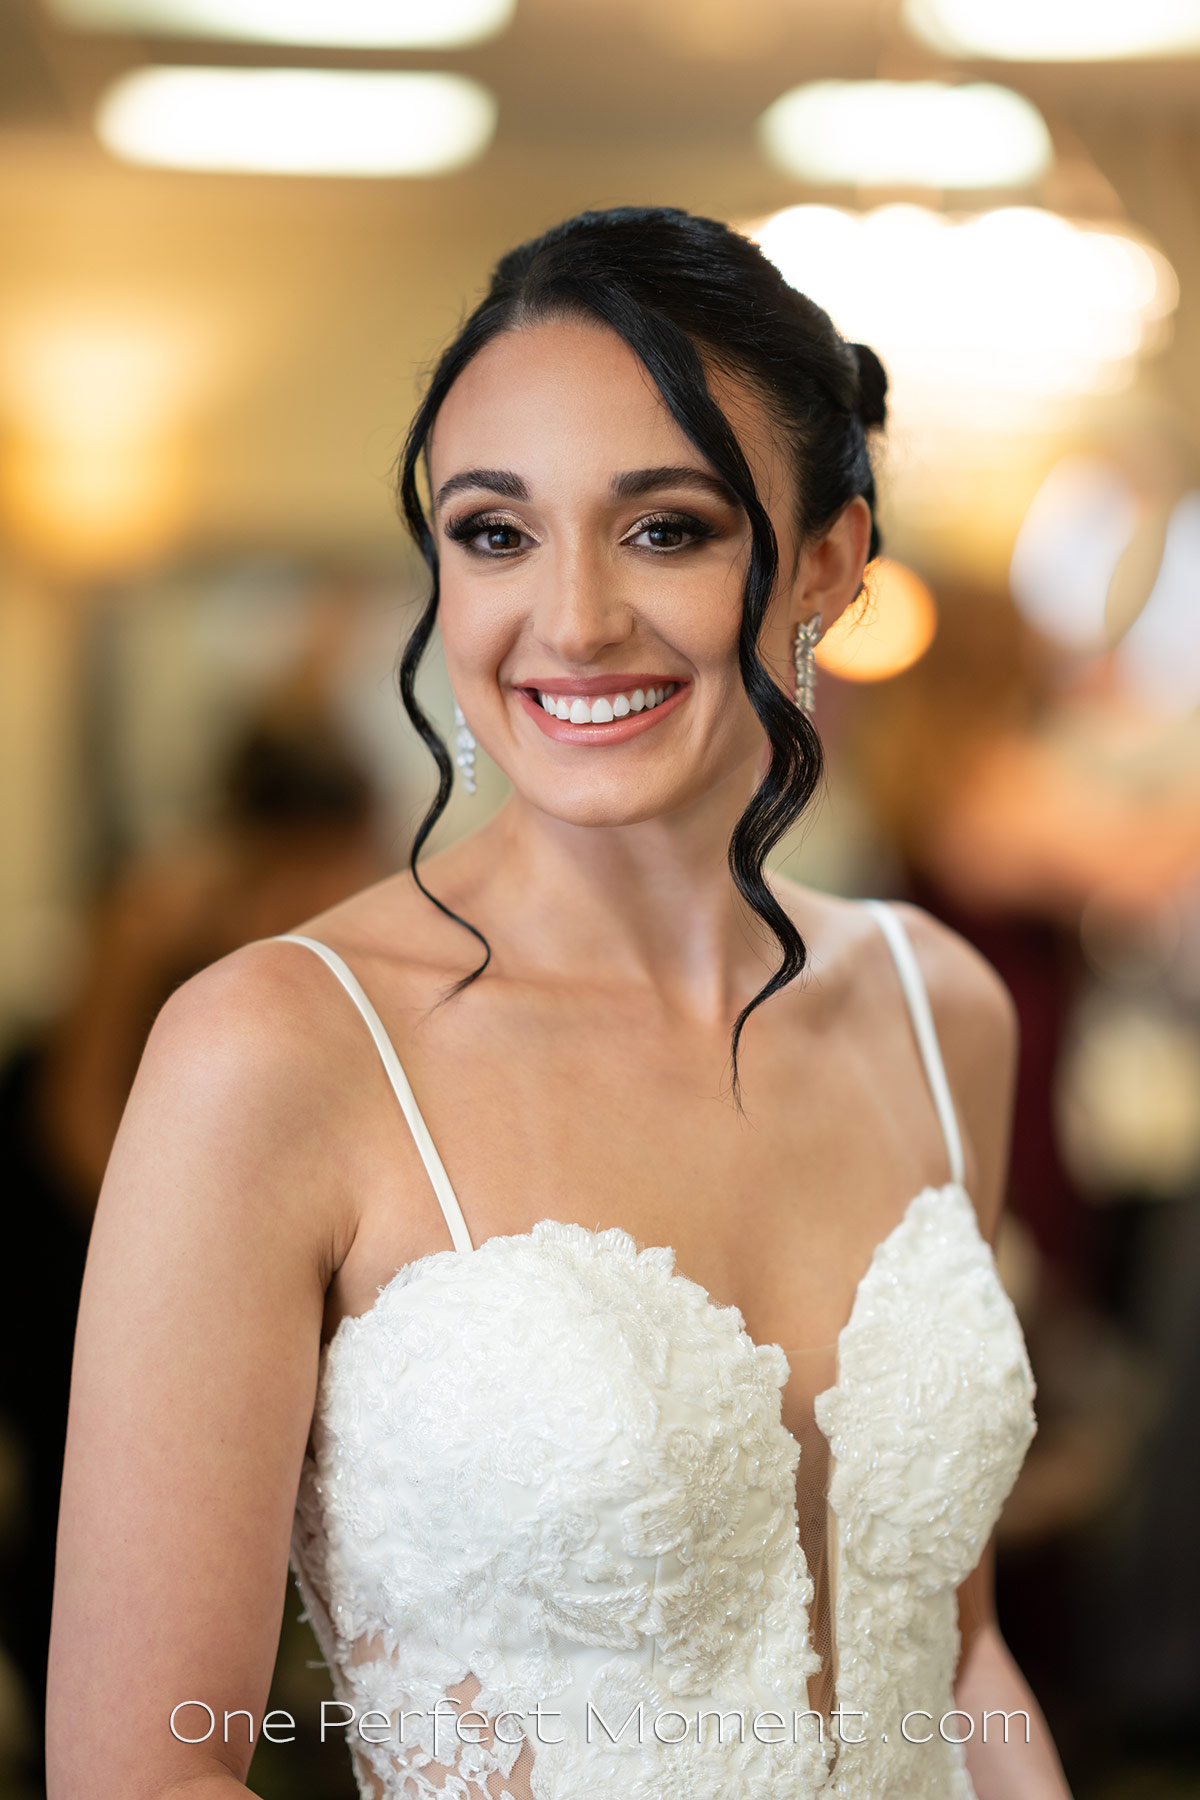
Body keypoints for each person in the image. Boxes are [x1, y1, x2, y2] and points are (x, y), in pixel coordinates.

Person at [46, 207, 1070, 1799]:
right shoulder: (275, 1050)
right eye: (495, 533)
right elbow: (143, 1772)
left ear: (829, 562)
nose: (574, 620)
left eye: (665, 529)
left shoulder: (948, 1014)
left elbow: (960, 1649)